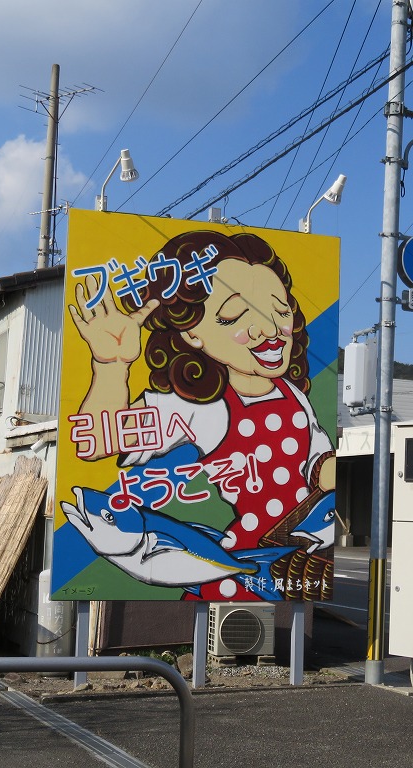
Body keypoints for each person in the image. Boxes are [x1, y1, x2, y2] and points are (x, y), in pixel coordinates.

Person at [68, 229, 335, 600]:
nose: (272, 330)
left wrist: (329, 477)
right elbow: (97, 441)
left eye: (281, 309)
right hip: (237, 568)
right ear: (192, 333)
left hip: (295, 563)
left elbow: (317, 458)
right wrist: (111, 366)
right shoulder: (201, 405)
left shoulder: (293, 393)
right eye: (234, 316)